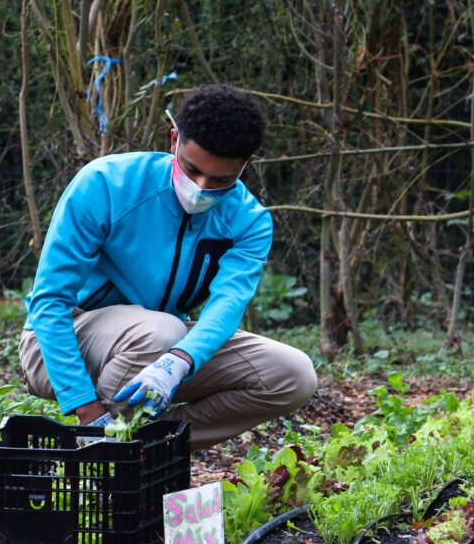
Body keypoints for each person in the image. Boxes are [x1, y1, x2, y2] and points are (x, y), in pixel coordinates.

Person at [18, 84, 317, 450]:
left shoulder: (249, 222)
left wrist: (179, 361)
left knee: (292, 374)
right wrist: (86, 406)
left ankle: (151, 447)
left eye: (221, 180)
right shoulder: (106, 183)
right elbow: (50, 302)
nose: (201, 188)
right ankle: (99, 446)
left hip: (157, 347)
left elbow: (226, 307)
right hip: (61, 345)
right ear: (174, 138)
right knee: (163, 331)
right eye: (191, 170)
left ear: (247, 164)